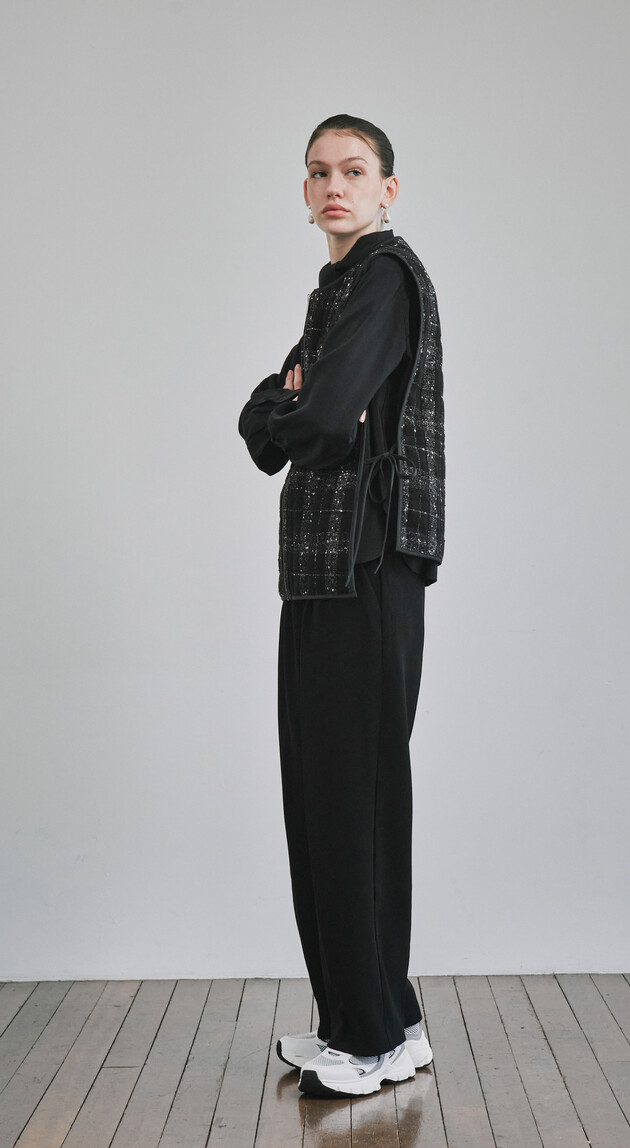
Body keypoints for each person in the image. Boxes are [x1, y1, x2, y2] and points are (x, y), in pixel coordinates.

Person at [238, 115, 445, 1097]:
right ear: (304, 188)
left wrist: (298, 404)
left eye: (354, 171)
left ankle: (368, 1039)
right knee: (326, 799)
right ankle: (379, 1020)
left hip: (367, 566)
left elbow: (312, 418)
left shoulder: (385, 278)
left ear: (387, 189)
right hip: (323, 570)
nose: (335, 186)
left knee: (351, 802)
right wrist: (293, 407)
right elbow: (261, 424)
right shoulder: (340, 290)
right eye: (319, 171)